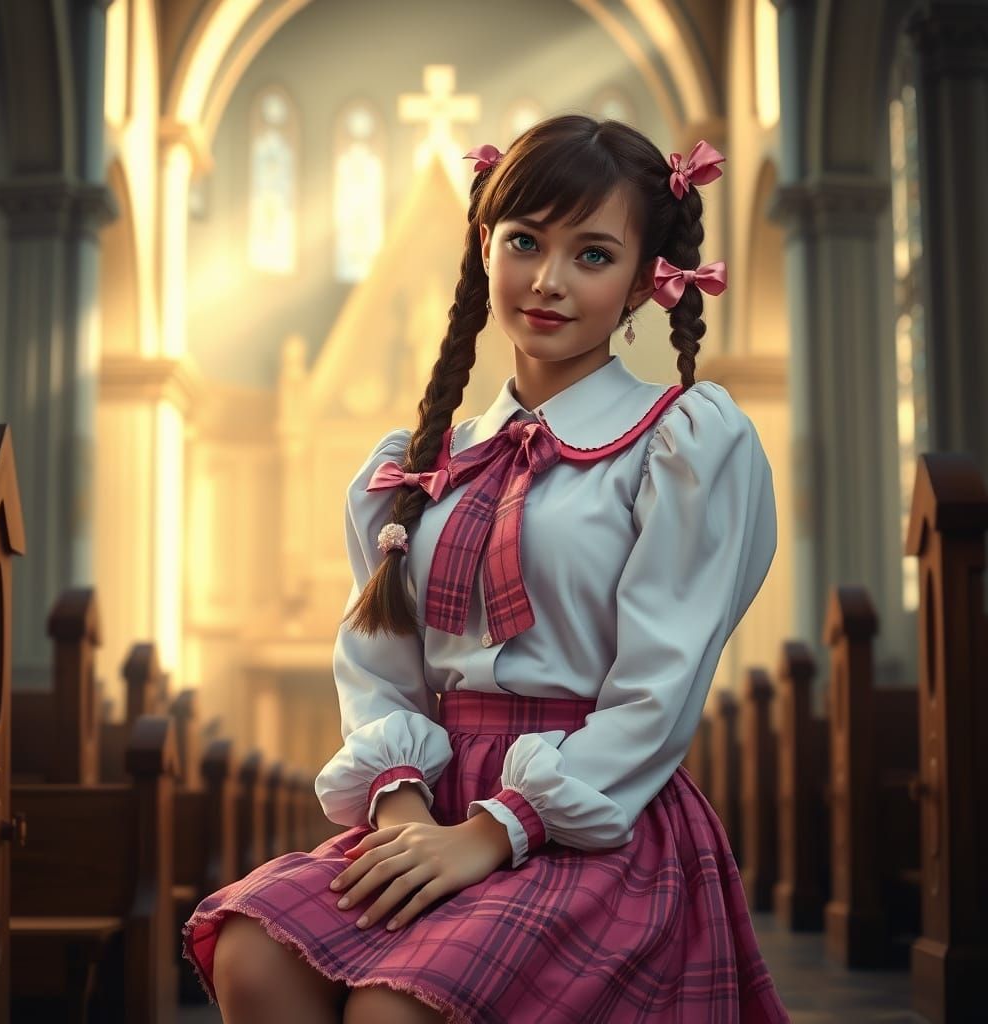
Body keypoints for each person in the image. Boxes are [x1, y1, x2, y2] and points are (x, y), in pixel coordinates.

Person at [183, 113, 790, 1024]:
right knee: (252, 956)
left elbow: (656, 697)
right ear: (485, 245)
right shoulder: (422, 461)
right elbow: (380, 672)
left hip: (587, 816)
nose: (547, 281)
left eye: (592, 255)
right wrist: (401, 815)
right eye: (524, 241)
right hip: (428, 805)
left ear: (645, 280)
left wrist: (491, 833)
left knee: (398, 1009)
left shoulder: (681, 448)